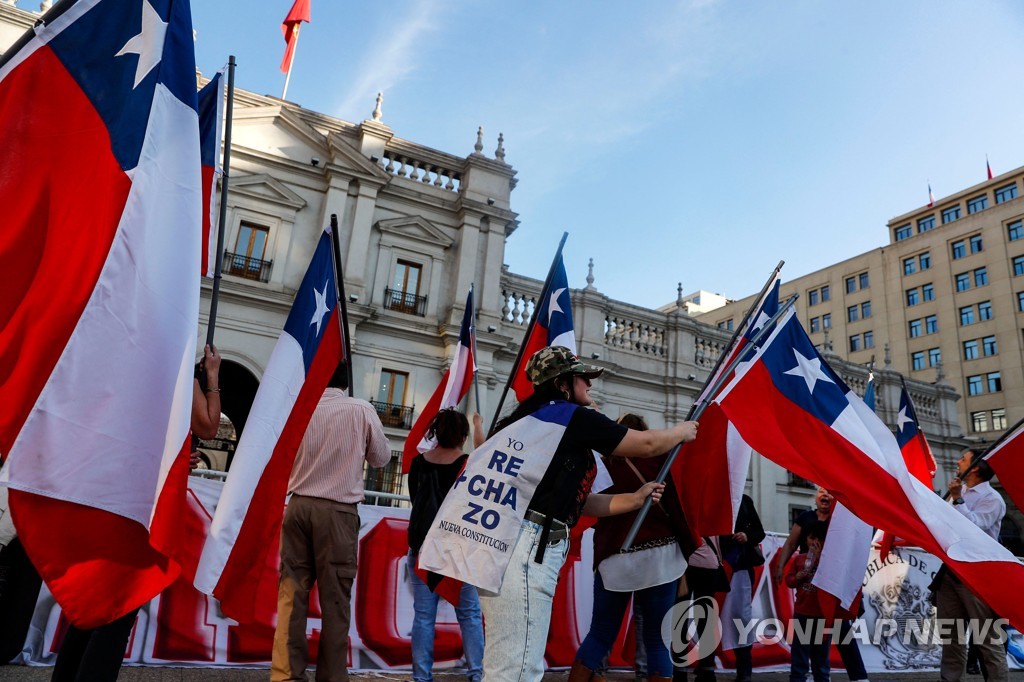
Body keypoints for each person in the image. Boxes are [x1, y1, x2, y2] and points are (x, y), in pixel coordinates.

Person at [482, 346, 699, 682]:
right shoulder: (570, 417)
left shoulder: (525, 422)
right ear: (563, 383)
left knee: (516, 657)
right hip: (530, 546)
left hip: (513, 543)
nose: (590, 384)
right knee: (518, 663)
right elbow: (646, 445)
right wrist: (682, 432)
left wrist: (634, 498)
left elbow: (579, 502)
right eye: (583, 377)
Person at [50, 344, 223, 681]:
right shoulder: (176, 371)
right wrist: (212, 376)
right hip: (144, 499)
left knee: (94, 599)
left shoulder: (124, 363)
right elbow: (208, 426)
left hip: (107, 488)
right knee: (122, 603)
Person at [271, 361, 390, 682]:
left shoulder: (300, 409)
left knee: (291, 595)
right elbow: (381, 458)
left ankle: (286, 676)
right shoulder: (360, 410)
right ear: (347, 382)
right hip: (337, 512)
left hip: (297, 506)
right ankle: (331, 677)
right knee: (335, 601)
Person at [571, 413, 695, 682]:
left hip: (616, 556)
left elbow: (590, 508)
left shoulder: (602, 466)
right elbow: (678, 509)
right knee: (657, 639)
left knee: (600, 632)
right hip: (661, 558)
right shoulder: (662, 462)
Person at [407, 409, 485, 682]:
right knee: (470, 616)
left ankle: (422, 677)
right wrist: (479, 424)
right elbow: (486, 455)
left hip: (423, 549)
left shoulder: (418, 463)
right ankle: (477, 675)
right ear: (462, 436)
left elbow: (415, 499)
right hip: (457, 551)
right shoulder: (468, 463)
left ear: (436, 433)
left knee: (424, 617)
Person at [773, 486, 868, 682]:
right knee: (806, 642)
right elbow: (791, 543)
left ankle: (858, 676)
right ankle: (801, 676)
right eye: (821, 491)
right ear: (816, 496)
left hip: (833, 586)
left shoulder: (842, 520)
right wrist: (780, 566)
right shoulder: (805, 518)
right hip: (809, 594)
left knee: (842, 633)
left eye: (829, 492)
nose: (825, 495)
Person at [933, 449, 1008, 682]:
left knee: (987, 639)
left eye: (963, 459)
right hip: (951, 572)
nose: (957, 461)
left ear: (975, 467)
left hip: (977, 576)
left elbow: (975, 528)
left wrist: (958, 500)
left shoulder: (992, 499)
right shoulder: (959, 492)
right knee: (951, 638)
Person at [718, 494, 766, 682]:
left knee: (740, 617)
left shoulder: (744, 500)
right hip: (714, 564)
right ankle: (706, 666)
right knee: (709, 614)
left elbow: (759, 532)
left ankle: (744, 669)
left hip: (739, 567)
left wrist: (747, 536)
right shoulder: (710, 496)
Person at [785, 521, 831, 682]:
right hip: (803, 613)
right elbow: (789, 581)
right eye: (812, 538)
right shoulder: (800, 559)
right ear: (806, 540)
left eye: (820, 539)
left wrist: (820, 559)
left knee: (821, 657)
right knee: (800, 654)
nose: (815, 542)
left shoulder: (830, 562)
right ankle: (797, 678)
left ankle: (822, 678)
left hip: (822, 616)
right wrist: (798, 576)